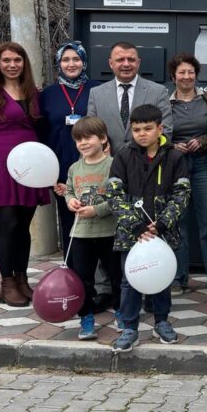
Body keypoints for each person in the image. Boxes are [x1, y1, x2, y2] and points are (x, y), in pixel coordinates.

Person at [105, 104, 191, 352]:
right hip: (132, 234)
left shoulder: (175, 157)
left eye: (147, 128)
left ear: (160, 129)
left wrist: (162, 224)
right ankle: (129, 327)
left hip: (162, 231)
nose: (142, 134)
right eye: (137, 129)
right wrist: (136, 225)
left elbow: (182, 194)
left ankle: (161, 322)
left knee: (162, 278)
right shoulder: (123, 156)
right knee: (130, 280)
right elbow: (114, 195)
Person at [0, 42, 51, 307]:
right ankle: (7, 284)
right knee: (8, 224)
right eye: (6, 60)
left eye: (17, 60)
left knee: (23, 226)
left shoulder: (31, 91)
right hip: (1, 165)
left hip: (30, 165)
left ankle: (22, 279)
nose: (12, 65)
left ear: (23, 63)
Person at [166, 53, 207, 296]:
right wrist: (171, 145)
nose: (187, 76)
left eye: (191, 72)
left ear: (196, 75)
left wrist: (203, 141)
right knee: (177, 224)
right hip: (175, 167)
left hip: (203, 165)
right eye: (182, 72)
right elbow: (155, 133)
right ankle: (177, 278)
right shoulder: (165, 103)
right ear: (173, 76)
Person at [39, 41, 101, 258]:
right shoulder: (48, 94)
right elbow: (42, 134)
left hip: (94, 165)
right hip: (61, 167)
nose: (71, 64)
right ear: (59, 63)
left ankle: (96, 273)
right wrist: (49, 173)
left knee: (96, 217)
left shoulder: (97, 89)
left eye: (76, 59)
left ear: (84, 62)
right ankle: (71, 268)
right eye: (66, 60)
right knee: (68, 221)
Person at [63, 116, 120, 341]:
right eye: (79, 139)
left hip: (109, 232)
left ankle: (122, 313)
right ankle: (86, 318)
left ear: (103, 139)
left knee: (117, 277)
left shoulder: (114, 165)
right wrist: (70, 201)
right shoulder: (74, 168)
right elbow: (69, 190)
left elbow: (119, 197)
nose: (83, 143)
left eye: (88, 138)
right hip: (81, 233)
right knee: (83, 280)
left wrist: (97, 210)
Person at [87, 41, 172, 154]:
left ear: (138, 63)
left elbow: (165, 130)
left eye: (131, 60)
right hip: (109, 161)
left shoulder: (158, 91)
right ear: (111, 63)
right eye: (120, 60)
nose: (126, 64)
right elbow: (90, 130)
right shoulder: (96, 93)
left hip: (145, 161)